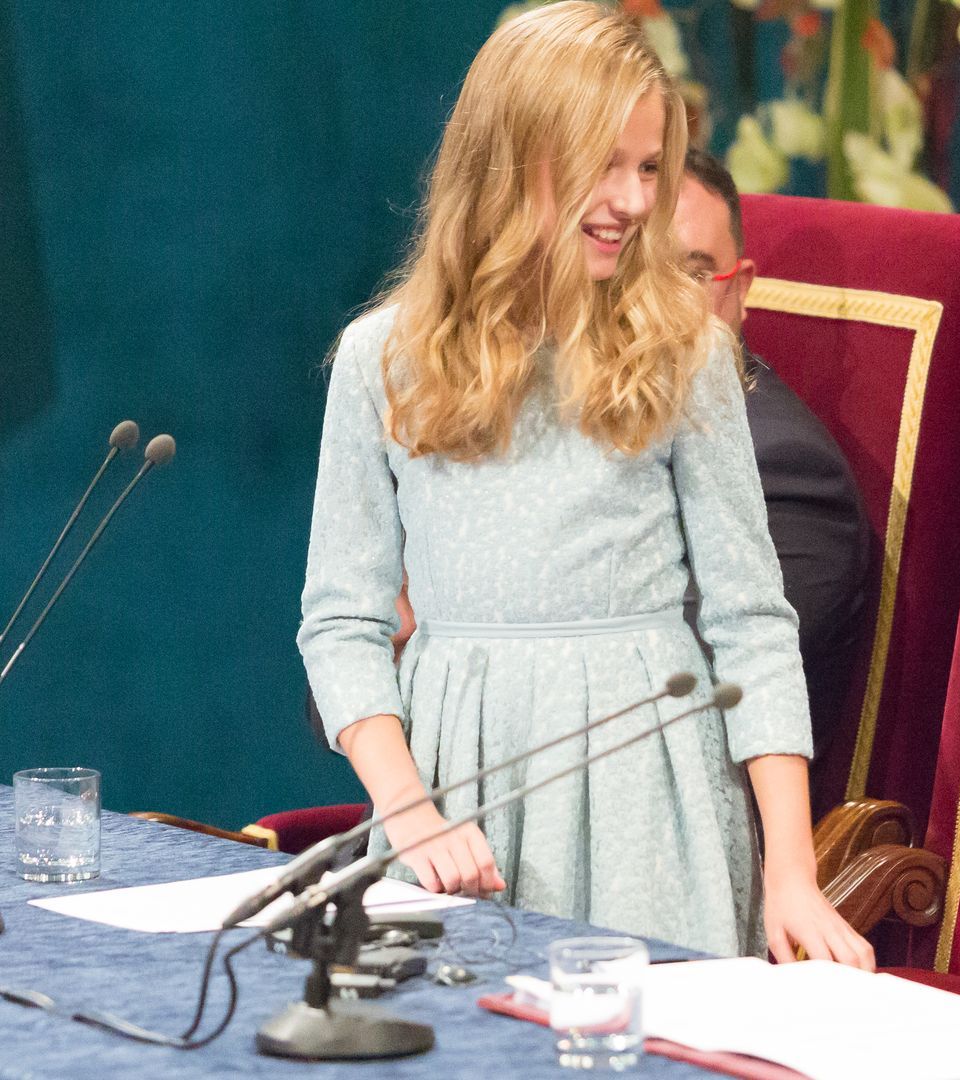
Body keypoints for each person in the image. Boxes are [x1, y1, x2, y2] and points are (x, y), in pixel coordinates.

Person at [297, 2, 872, 969]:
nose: (637, 199)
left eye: (649, 167)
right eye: (606, 164)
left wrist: (791, 875)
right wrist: (412, 815)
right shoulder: (380, 360)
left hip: (651, 812)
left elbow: (751, 624)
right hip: (455, 797)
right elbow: (341, 624)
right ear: (511, 156)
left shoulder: (685, 351)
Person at [670, 148, 872, 755]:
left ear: (742, 288)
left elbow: (677, 702)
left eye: (690, 275)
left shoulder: (787, 475)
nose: (655, 305)